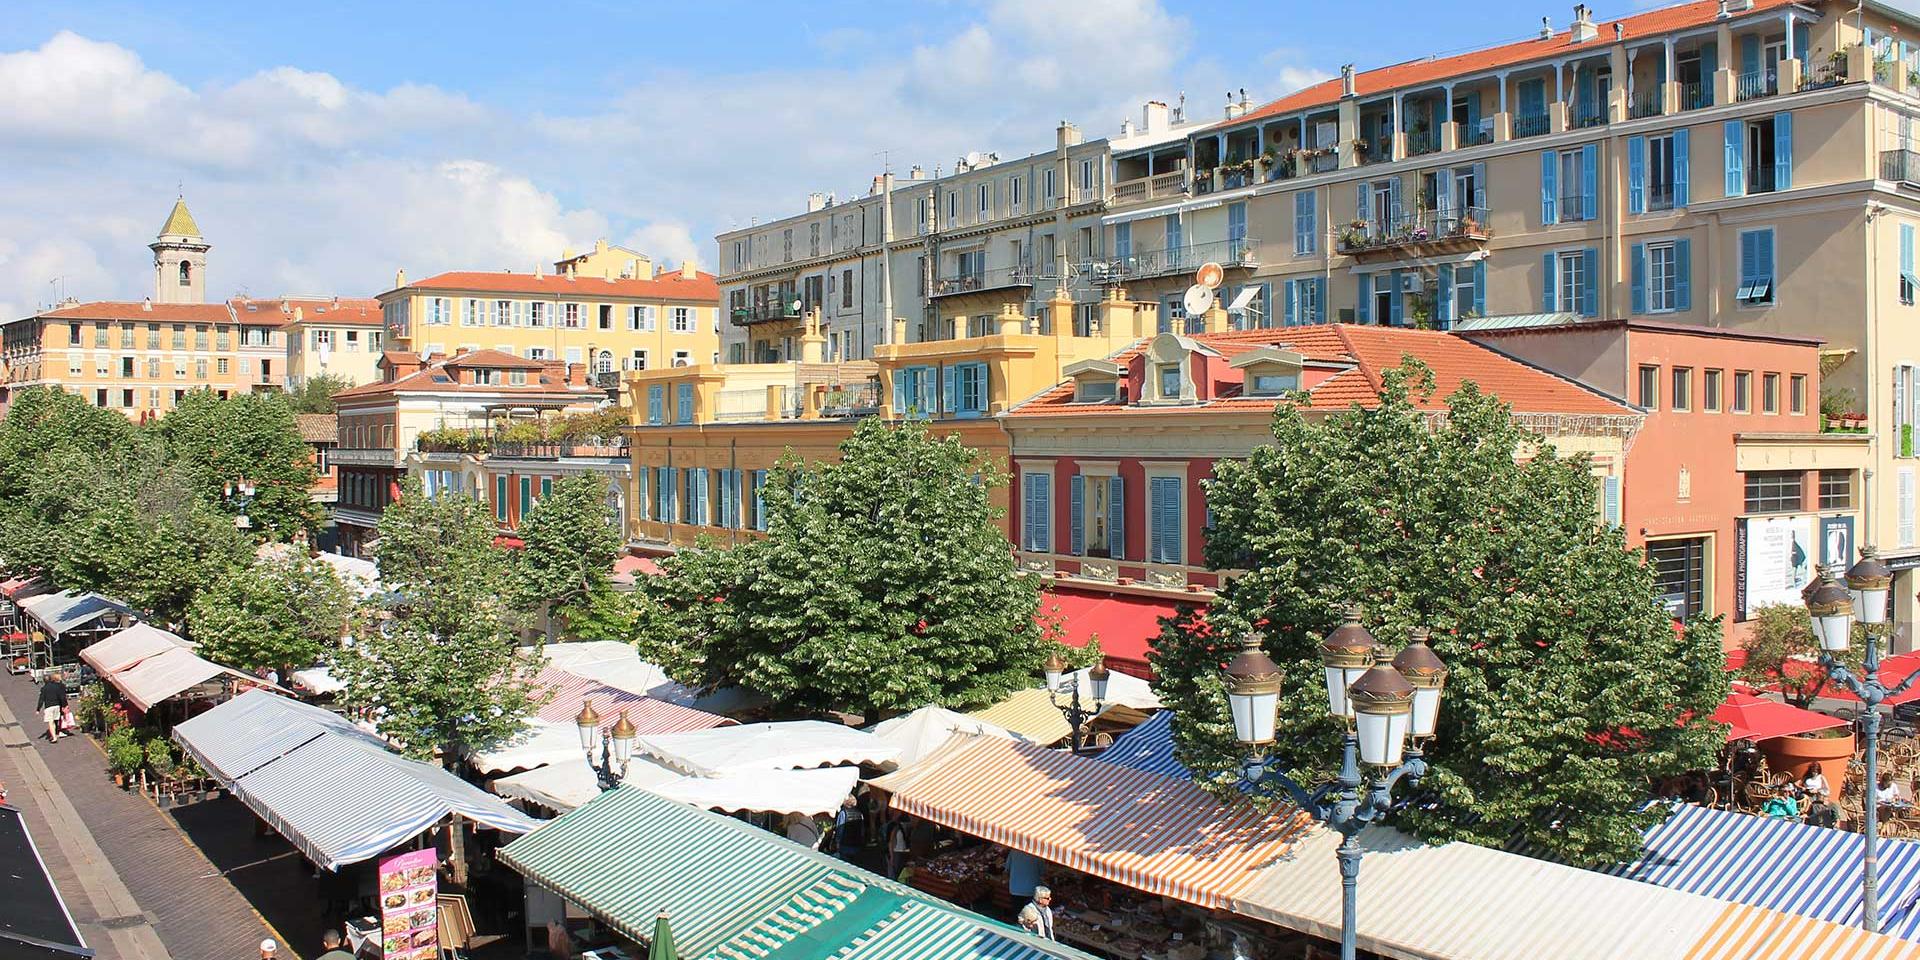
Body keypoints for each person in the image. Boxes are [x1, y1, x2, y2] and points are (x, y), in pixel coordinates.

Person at [37, 672, 66, 742]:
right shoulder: (56, 686)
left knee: (50, 722)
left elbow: (41, 699)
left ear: (44, 681)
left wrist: (38, 709)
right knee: (56, 720)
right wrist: (64, 705)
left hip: (49, 707)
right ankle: (56, 733)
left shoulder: (44, 689)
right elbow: (61, 696)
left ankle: (54, 737)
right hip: (57, 706)